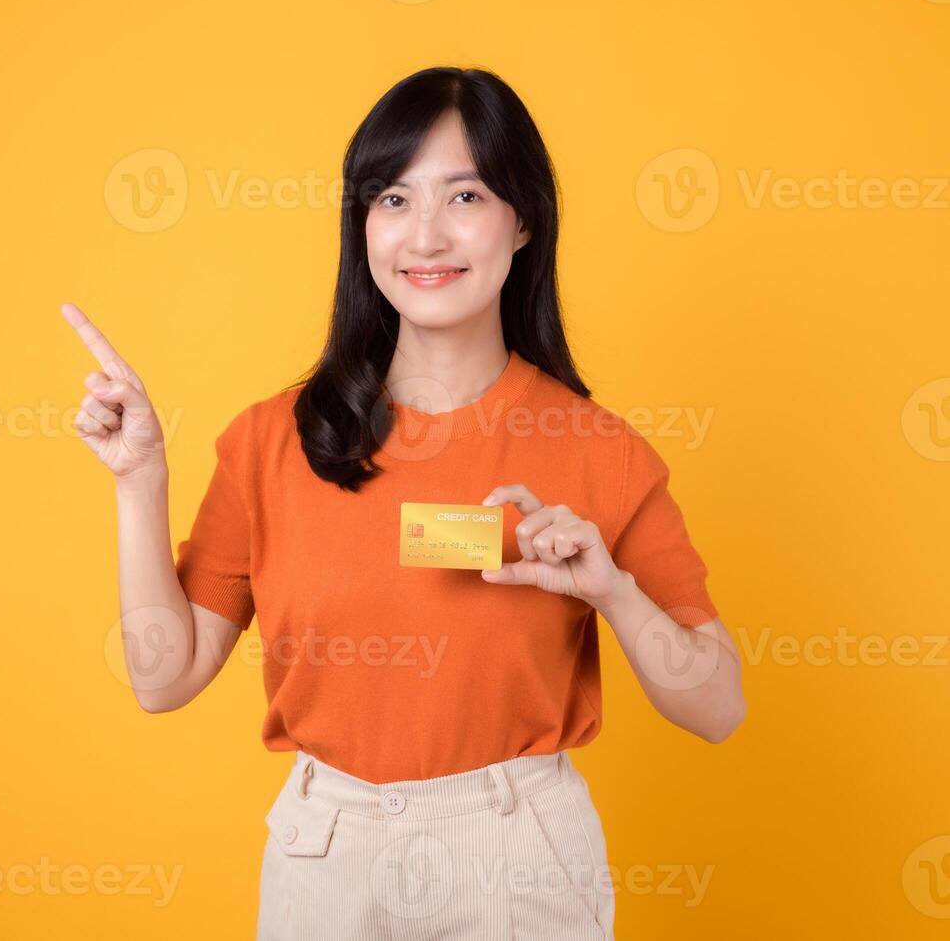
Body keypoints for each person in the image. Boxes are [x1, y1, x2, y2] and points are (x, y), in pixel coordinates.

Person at [61, 65, 745, 941]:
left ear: (523, 219)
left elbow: (718, 706)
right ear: (363, 228)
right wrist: (138, 481)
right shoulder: (273, 441)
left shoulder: (598, 450)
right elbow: (164, 678)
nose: (425, 235)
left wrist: (613, 590)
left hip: (516, 855)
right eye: (392, 199)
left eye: (464, 196)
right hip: (325, 853)